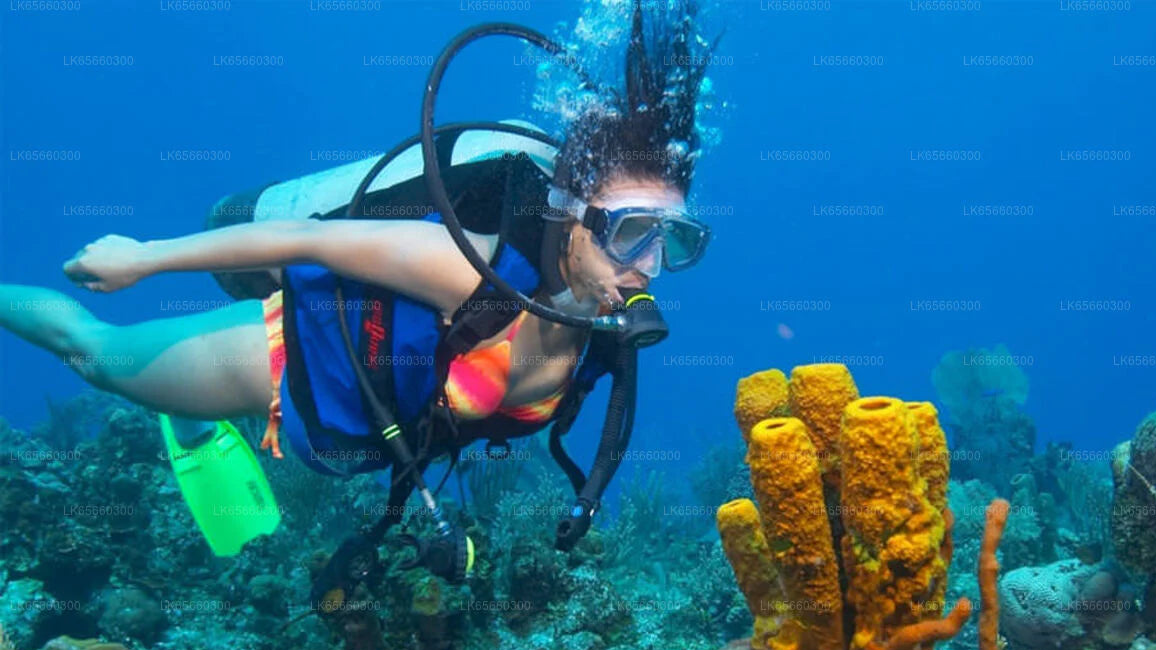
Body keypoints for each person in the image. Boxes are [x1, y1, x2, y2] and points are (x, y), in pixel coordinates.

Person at [0, 0, 720, 578]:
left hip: (369, 425)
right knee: (94, 353)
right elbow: (306, 240)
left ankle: (192, 423)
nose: (649, 267)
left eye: (676, 240)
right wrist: (143, 259)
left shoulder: (605, 319)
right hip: (293, 360)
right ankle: (183, 409)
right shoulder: (469, 269)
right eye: (631, 233)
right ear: (570, 215)